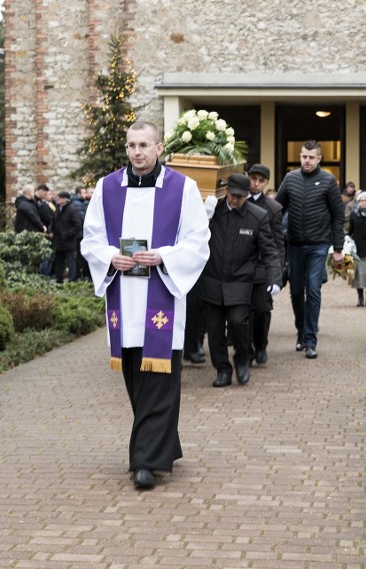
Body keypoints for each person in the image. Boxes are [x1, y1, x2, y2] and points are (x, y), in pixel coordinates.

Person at [80, 121, 210, 490]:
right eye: (132, 145)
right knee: (137, 380)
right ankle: (162, 445)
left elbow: (199, 241)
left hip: (162, 297)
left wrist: (164, 256)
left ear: (159, 148)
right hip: (124, 297)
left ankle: (145, 462)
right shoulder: (106, 188)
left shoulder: (182, 188)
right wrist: (109, 257)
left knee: (160, 382)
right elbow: (90, 240)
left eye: (144, 145)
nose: (138, 152)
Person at [195, 173, 282, 387]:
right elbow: (191, 237)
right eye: (233, 196)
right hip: (212, 279)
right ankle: (222, 369)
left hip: (240, 281)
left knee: (238, 322)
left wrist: (275, 278)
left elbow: (270, 251)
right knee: (214, 330)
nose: (236, 200)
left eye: (241, 197)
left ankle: (243, 358)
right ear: (226, 192)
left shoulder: (258, 216)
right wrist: (202, 218)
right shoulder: (211, 211)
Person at [275, 140, 345, 360]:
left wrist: (338, 248)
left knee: (313, 289)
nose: (306, 161)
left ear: (319, 158)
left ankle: (311, 340)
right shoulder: (290, 178)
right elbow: (277, 208)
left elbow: (338, 215)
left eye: (311, 157)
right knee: (296, 292)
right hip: (294, 244)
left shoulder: (328, 181)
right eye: (303, 156)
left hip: (318, 244)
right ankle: (301, 331)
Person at [246, 163, 284, 366]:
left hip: (263, 265)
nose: (256, 184)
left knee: (261, 309)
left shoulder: (273, 208)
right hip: (242, 264)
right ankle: (248, 347)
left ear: (267, 183)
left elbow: (278, 244)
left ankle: (261, 345)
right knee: (245, 311)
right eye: (253, 179)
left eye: (261, 181)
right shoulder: (238, 200)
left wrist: (277, 274)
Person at [49, 191, 83, 282]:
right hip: (58, 241)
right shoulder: (57, 208)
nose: (57, 199)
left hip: (68, 241)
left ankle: (72, 280)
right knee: (59, 262)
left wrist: (67, 234)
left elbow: (77, 225)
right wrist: (51, 230)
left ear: (65, 200)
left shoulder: (72, 209)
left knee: (71, 261)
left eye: (59, 198)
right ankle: (59, 280)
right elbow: (53, 221)